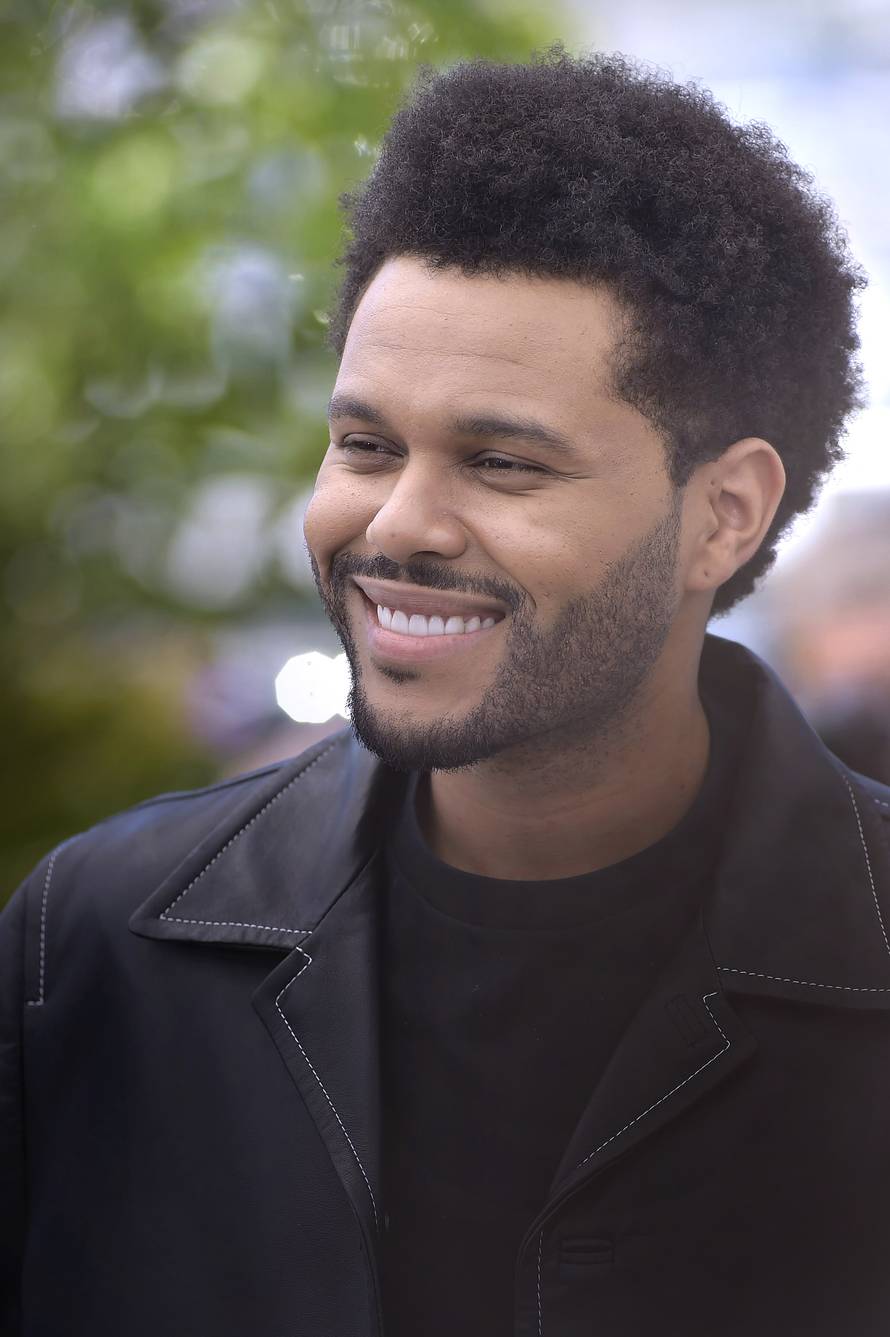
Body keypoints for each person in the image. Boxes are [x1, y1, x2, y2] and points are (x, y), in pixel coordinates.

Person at [2, 49, 889, 1337]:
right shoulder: (92, 947)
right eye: (364, 444)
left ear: (725, 516)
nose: (397, 525)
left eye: (503, 461)